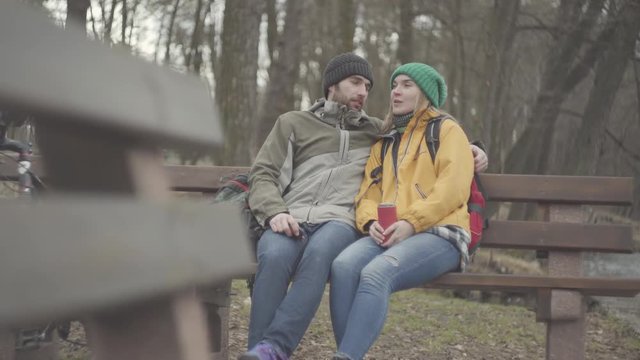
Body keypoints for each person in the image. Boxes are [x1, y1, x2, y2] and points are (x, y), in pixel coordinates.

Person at [241, 54, 487, 360]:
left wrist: (473, 149)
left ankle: (288, 348)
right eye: (356, 82)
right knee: (296, 258)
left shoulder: (398, 131)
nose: (366, 91)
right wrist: (276, 212)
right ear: (332, 84)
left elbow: (444, 168)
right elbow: (265, 174)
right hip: (298, 217)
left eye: (369, 86)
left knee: (341, 262)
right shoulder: (310, 125)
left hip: (369, 224)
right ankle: (260, 352)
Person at [329, 63, 474, 360]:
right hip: (391, 233)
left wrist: (411, 222)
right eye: (395, 85)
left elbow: (453, 189)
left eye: (407, 85)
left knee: (375, 273)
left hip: (441, 233)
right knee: (343, 267)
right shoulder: (385, 141)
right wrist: (369, 221)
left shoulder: (446, 131)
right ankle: (349, 353)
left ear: (425, 93)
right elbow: (367, 192)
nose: (396, 90)